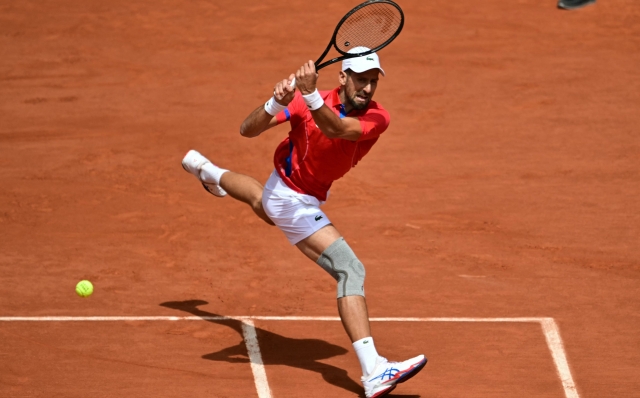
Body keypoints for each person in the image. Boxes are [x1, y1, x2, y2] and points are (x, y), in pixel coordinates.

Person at [181, 47, 426, 398]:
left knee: (260, 202)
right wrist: (274, 101)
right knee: (350, 270)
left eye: (373, 81)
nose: (368, 89)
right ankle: (374, 370)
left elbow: (338, 129)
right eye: (361, 79)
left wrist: (308, 94)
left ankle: (206, 170)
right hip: (291, 197)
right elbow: (246, 130)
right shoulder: (305, 102)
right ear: (343, 77)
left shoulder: (377, 116)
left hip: (287, 193)